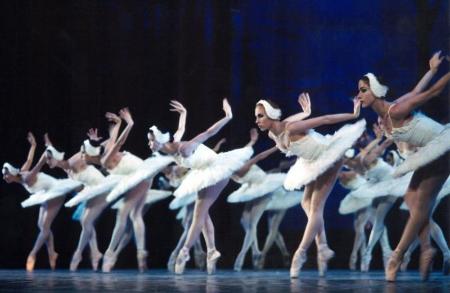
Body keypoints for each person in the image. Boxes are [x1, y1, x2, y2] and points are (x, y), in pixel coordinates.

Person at [355, 51, 450, 281]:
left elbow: (431, 93)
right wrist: (432, 70)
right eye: (359, 90)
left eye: (363, 90)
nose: (359, 95)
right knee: (411, 199)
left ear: (375, 91)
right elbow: (417, 89)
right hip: (429, 153)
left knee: (420, 205)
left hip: (443, 148)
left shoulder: (395, 109)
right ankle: (426, 248)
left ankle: (396, 257)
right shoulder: (386, 114)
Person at [255, 92, 365, 277]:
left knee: (315, 206)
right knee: (306, 203)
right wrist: (305, 112)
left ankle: (301, 254)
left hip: (328, 155)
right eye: (256, 116)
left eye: (260, 115)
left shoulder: (290, 127)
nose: (257, 120)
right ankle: (322, 246)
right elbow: (294, 116)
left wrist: (353, 115)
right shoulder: (275, 133)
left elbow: (325, 119)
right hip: (310, 161)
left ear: (271, 115)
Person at [148, 98, 253, 274]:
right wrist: (184, 113)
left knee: (198, 214)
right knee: (202, 216)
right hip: (204, 173)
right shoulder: (172, 145)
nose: (149, 144)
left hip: (216, 171)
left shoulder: (184, 148)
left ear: (159, 141)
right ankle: (211, 251)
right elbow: (180, 129)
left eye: (151, 141)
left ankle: (184, 252)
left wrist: (228, 116)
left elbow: (209, 132)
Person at [2, 133, 81, 271]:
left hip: (56, 191)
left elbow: (37, 165)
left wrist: (45, 157)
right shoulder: (22, 172)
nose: (4, 177)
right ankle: (52, 252)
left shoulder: (26, 178)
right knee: (41, 225)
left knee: (44, 227)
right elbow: (29, 159)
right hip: (46, 193)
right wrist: (33, 145)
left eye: (6, 174)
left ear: (12, 174)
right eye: (3, 175)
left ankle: (32, 254)